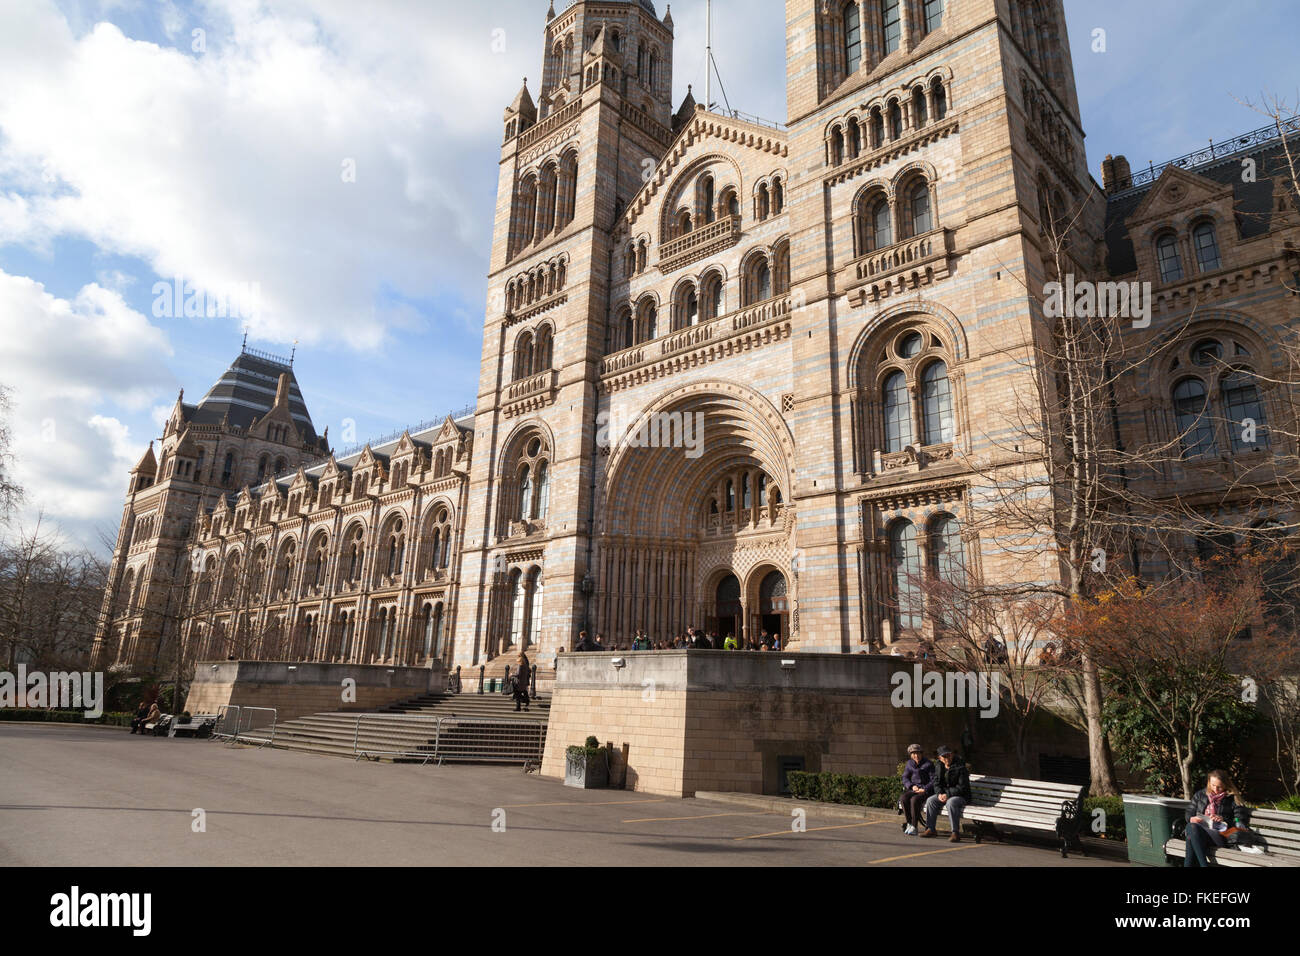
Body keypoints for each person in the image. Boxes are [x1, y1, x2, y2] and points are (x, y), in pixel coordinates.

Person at [1184, 770, 1245, 867]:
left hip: (1220, 835)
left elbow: (1239, 820)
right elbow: (1189, 813)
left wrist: (1223, 819)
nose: (1215, 789)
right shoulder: (1200, 795)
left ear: (1225, 784)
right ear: (1209, 782)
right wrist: (1192, 818)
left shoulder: (1232, 799)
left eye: (1219, 787)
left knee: (1191, 834)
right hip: (1199, 832)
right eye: (1213, 785)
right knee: (1192, 829)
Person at [920, 745, 971, 842]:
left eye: (949, 755)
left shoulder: (960, 766)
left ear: (952, 755)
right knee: (931, 800)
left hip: (961, 796)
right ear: (939, 758)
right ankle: (930, 829)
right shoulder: (939, 765)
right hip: (944, 794)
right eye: (944, 756)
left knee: (951, 802)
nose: (947, 758)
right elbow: (936, 783)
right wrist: (939, 793)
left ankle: (955, 832)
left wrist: (947, 794)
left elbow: (962, 787)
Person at [900, 744, 935, 835]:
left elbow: (933, 780)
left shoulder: (929, 764)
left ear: (921, 753)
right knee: (903, 798)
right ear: (911, 755)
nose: (916, 756)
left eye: (918, 753)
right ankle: (909, 823)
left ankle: (914, 826)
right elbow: (905, 778)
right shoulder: (909, 764)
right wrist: (911, 786)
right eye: (914, 754)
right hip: (914, 789)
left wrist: (924, 789)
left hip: (926, 790)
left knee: (914, 800)